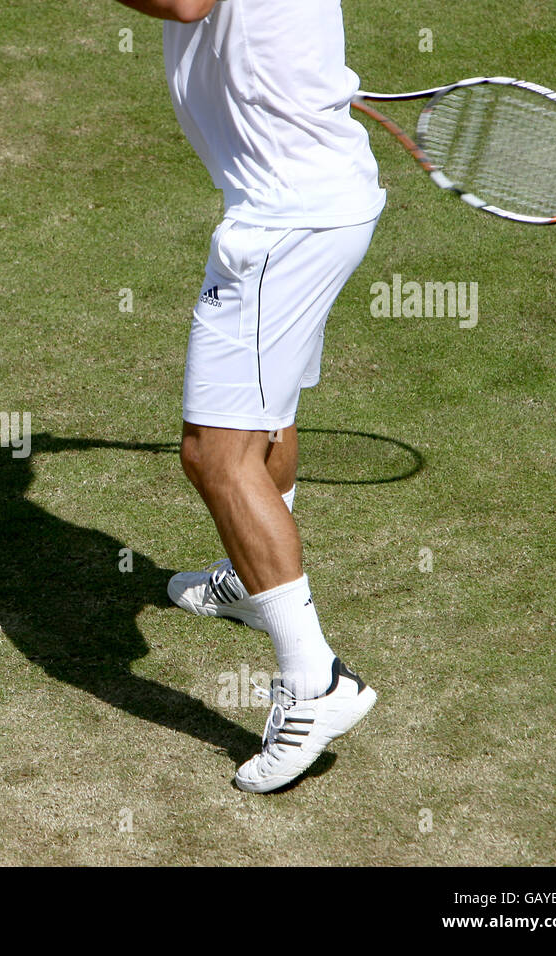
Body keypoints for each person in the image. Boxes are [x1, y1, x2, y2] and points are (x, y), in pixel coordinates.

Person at [118, 0, 383, 792]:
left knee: (215, 455)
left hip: (283, 225)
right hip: (323, 200)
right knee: (271, 412)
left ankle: (315, 681)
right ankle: (248, 578)